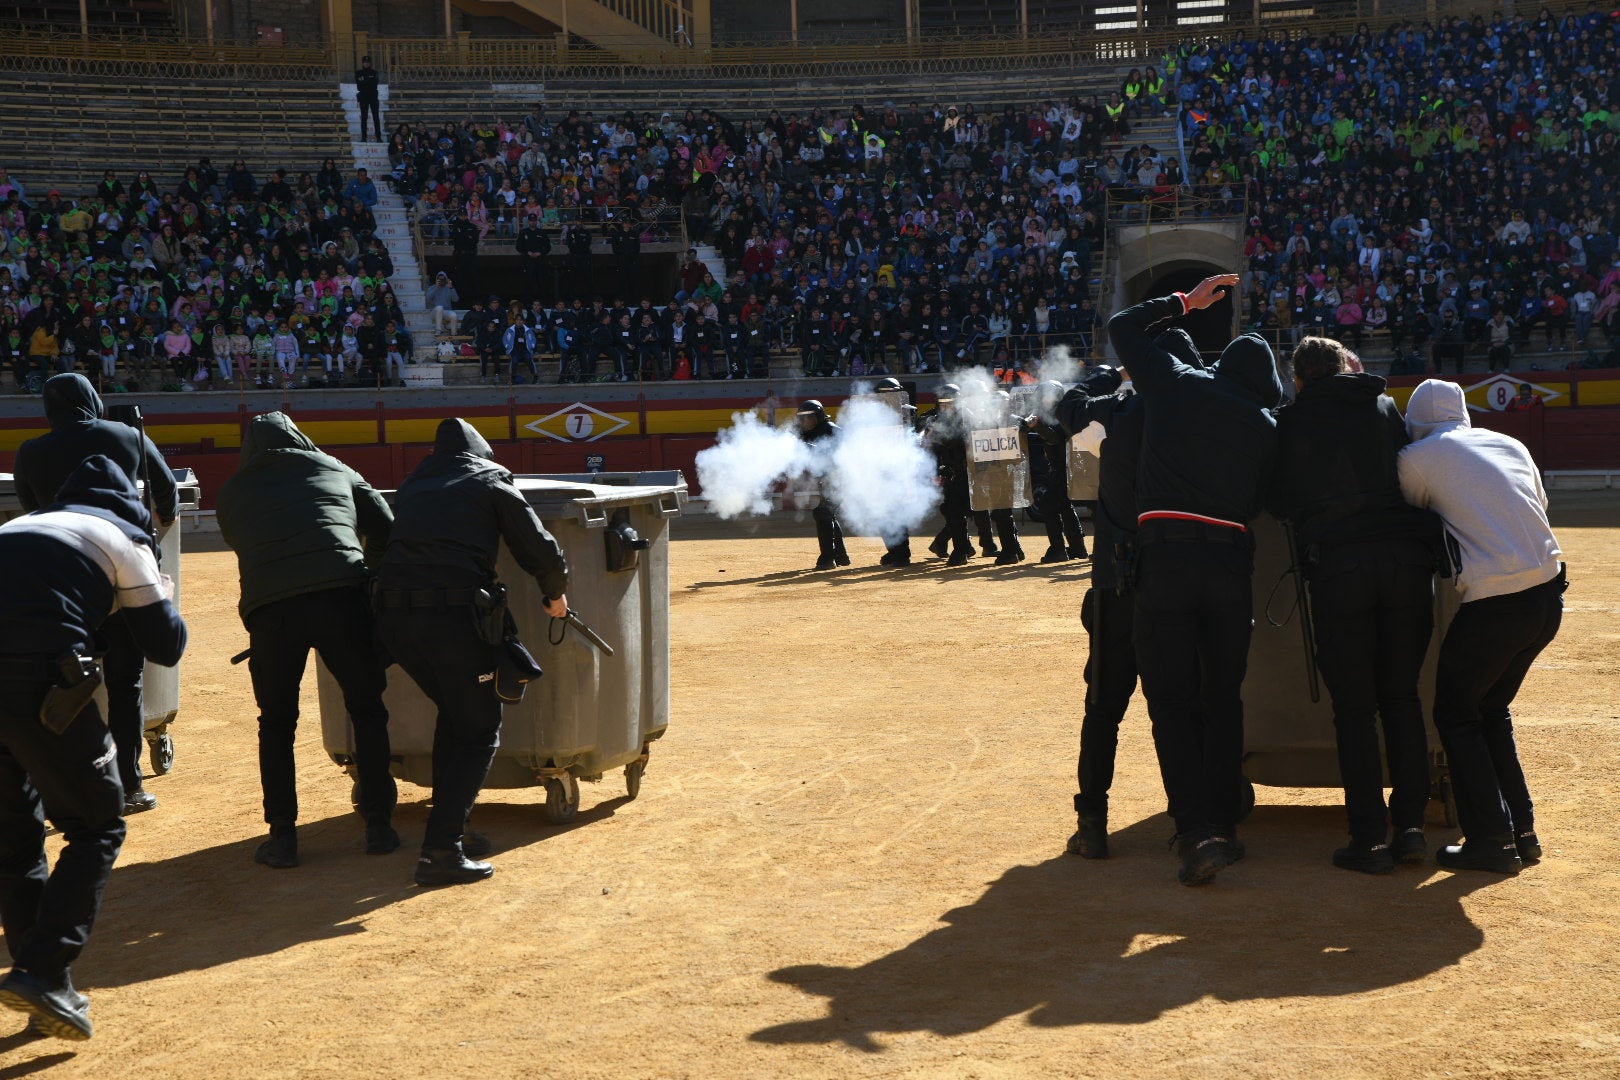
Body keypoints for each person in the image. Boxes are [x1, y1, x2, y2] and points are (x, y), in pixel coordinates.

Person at [0, 456, 186, 1040]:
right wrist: (163, 591)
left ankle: (41, 980)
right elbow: (165, 647)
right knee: (97, 825)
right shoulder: (118, 535)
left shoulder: (17, 527)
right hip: (42, 682)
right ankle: (42, 969)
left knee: (15, 836)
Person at [1111, 273, 1282, 885]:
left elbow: (1122, 328)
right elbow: (1271, 503)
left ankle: (1194, 829)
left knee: (1172, 701)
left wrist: (1185, 302)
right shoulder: (1266, 428)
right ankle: (1225, 821)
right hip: (1228, 566)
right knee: (1221, 697)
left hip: (1164, 559)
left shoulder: (1176, 385)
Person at [1268, 337, 1446, 873]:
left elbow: (1277, 501)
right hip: (1403, 564)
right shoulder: (1384, 405)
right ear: (1347, 367)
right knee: (1402, 697)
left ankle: (1368, 836)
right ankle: (1410, 827)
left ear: (1299, 379)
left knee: (1355, 707)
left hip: (1341, 568)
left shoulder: (1291, 422)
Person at [374, 420, 569, 886]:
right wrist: (554, 592)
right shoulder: (489, 478)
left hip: (395, 621)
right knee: (481, 728)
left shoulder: (414, 483)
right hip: (452, 617)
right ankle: (440, 852)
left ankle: (452, 827)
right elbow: (537, 545)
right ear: (482, 452)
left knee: (457, 716)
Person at [215, 413, 397, 869]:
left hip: (271, 612)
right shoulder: (334, 467)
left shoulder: (233, 491)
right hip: (341, 598)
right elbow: (386, 527)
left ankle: (282, 838)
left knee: (276, 724)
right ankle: (379, 827)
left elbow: (247, 546)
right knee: (367, 710)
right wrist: (367, 574)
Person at [1397, 380, 1565, 875]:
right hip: (1548, 596)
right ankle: (1522, 832)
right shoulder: (1509, 442)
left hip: (1497, 604)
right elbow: (1537, 506)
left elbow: (1411, 511)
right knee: (1490, 709)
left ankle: (1491, 839)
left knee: (1456, 713)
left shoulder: (1417, 455)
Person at [1054, 336, 1197, 859]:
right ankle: (1188, 823)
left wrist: (1111, 374)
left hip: (1117, 580)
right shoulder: (1194, 409)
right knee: (1177, 709)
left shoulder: (1120, 408)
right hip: (1175, 579)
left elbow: (1066, 403)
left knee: (1103, 709)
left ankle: (1091, 820)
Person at [12, 374, 178, 815]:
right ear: (90, 400)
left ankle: (58, 789)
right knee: (126, 682)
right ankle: (128, 786)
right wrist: (160, 517)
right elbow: (165, 488)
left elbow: (34, 511)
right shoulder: (125, 434)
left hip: (63, 581)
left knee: (59, 681)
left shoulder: (30, 452)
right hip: (123, 570)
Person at [1027, 379, 1088, 563]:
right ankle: (1078, 548)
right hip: (1061, 469)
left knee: (1048, 504)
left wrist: (1036, 426)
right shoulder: (1053, 414)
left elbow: (1053, 438)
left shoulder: (1061, 414)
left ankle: (1058, 549)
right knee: (1064, 506)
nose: (1044, 399)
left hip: (1065, 469)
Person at [796, 400, 849, 570]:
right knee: (827, 515)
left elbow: (840, 455)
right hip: (824, 479)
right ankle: (841, 557)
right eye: (802, 419)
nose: (805, 422)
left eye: (808, 418)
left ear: (818, 416)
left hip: (837, 478)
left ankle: (828, 558)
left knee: (823, 515)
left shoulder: (833, 430)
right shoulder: (808, 432)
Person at [925, 383, 974, 565]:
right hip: (951, 472)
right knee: (953, 511)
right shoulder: (940, 420)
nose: (946, 407)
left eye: (950, 403)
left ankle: (960, 550)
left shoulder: (966, 418)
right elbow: (935, 449)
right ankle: (963, 547)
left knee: (958, 511)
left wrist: (940, 436)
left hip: (967, 471)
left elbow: (963, 443)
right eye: (943, 403)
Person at [355, 55, 382, 142]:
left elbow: (374, 84)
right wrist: (368, 81)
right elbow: (359, 86)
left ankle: (378, 137)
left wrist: (364, 81)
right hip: (363, 96)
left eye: (368, 62)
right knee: (364, 117)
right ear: (362, 63)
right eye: (365, 62)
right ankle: (364, 137)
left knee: (376, 117)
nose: (366, 64)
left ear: (370, 63)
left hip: (373, 96)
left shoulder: (375, 72)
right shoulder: (358, 73)